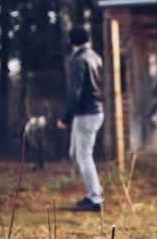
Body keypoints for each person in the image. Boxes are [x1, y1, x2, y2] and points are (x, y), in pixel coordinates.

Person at [57, 26, 105, 212]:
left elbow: (75, 92)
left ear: (73, 41)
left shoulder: (78, 60)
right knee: (79, 154)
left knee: (84, 156)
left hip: (85, 113)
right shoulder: (95, 56)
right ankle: (94, 193)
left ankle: (95, 198)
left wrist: (66, 118)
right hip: (95, 111)